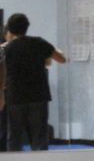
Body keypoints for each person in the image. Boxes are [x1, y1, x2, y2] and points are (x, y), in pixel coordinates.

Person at [3, 12, 66, 151]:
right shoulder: (39, 43)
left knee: (14, 136)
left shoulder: (7, 48)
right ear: (27, 27)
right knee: (39, 136)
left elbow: (3, 72)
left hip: (16, 96)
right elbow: (62, 59)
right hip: (38, 95)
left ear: (10, 30)